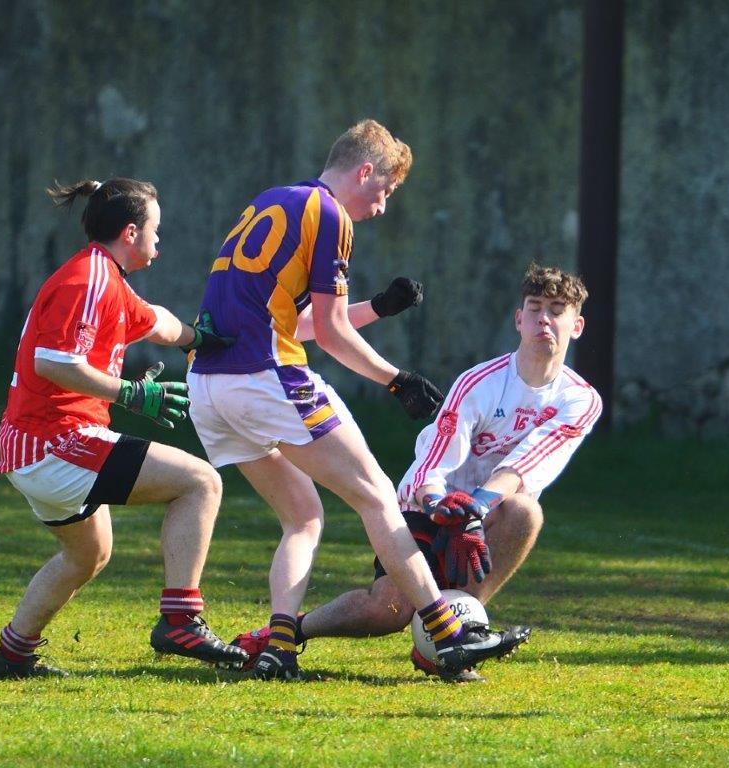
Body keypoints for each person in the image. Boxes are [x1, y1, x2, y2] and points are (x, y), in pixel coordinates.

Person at [188, 119, 526, 681]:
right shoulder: (332, 215)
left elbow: (293, 321)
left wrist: (377, 307)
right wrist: (398, 379)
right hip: (266, 377)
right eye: (385, 190)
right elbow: (332, 331)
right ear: (365, 171)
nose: (383, 205)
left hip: (209, 387)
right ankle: (447, 636)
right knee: (378, 500)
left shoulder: (274, 200)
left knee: (302, 516)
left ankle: (278, 647)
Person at [233, 262, 602, 682]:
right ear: (519, 320)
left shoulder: (581, 400)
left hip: (484, 509)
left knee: (525, 513)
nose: (544, 320)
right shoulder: (478, 384)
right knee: (387, 608)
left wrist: (474, 511)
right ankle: (284, 632)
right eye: (534, 308)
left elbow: (522, 467)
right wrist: (443, 506)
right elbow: (431, 466)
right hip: (426, 504)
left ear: (577, 326)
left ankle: (447, 643)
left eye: (557, 310)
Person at [0, 177, 249, 679]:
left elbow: (158, 322)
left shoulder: (107, 279)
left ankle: (10, 654)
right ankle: (181, 619)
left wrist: (203, 339)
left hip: (33, 446)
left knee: (88, 554)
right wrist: (131, 393)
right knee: (201, 482)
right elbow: (54, 363)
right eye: (155, 230)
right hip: (53, 441)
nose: (159, 241)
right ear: (130, 232)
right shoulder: (88, 281)